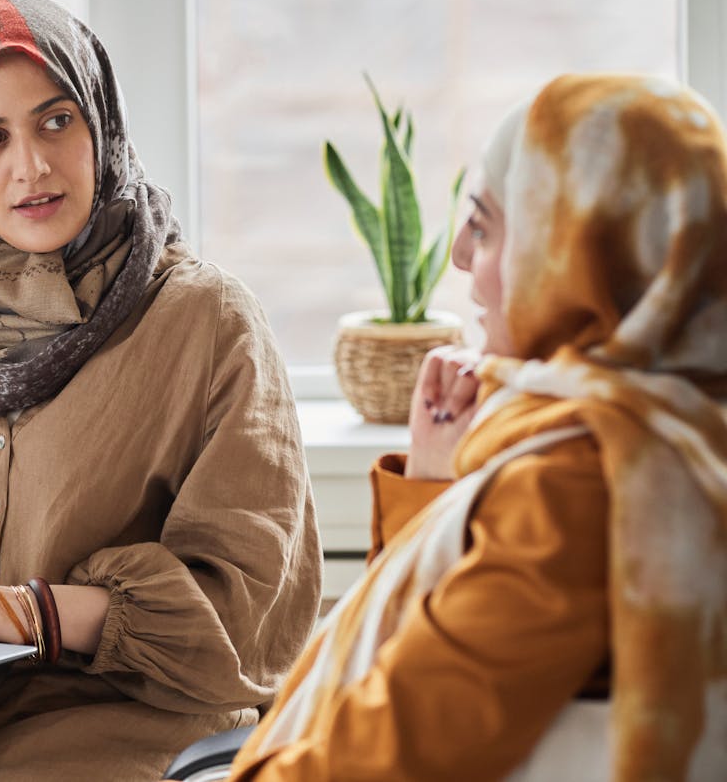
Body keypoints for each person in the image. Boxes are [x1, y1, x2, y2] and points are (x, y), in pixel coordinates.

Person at [0, 0, 323, 780]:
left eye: (57, 120)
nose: (33, 165)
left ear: (99, 123)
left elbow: (249, 617)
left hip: (119, 723)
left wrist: (26, 612)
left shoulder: (208, 322)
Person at [225, 74, 727, 780]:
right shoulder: (675, 423)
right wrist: (435, 482)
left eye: (486, 225)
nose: (459, 253)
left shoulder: (580, 479)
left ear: (579, 261)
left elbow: (391, 754)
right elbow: (450, 653)